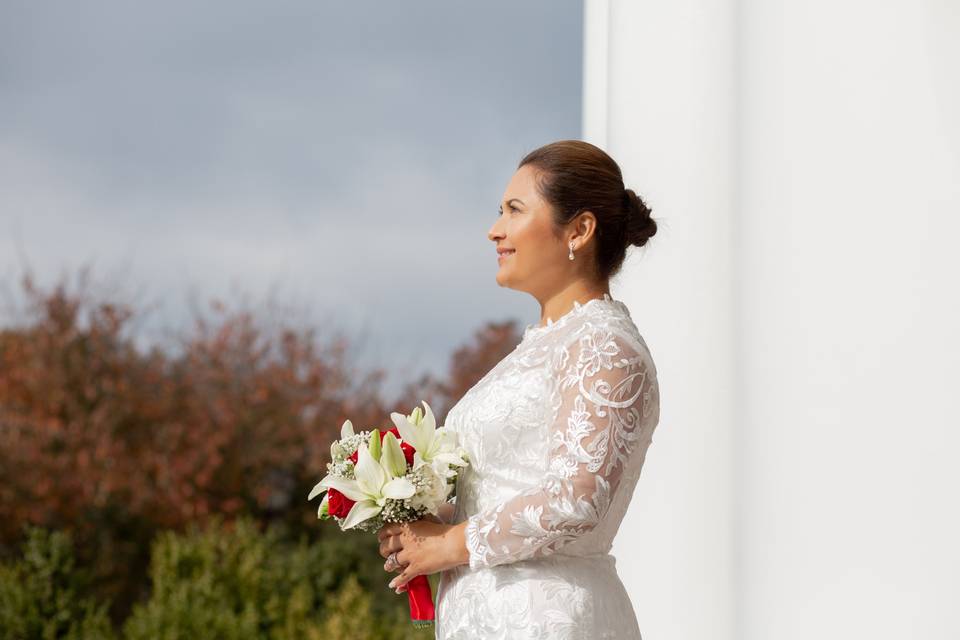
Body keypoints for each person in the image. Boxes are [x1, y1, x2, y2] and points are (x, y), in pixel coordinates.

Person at [377, 139, 661, 639]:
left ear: (579, 230)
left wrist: (451, 543)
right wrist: (421, 520)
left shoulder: (603, 344)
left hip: (546, 618)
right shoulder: (541, 347)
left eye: (514, 210)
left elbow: (578, 497)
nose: (495, 230)